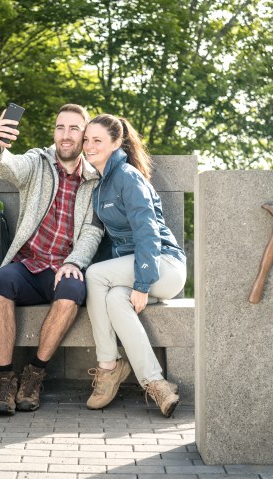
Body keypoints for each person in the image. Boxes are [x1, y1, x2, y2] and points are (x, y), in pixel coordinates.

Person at [0, 104, 103, 415]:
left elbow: (92, 231)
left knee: (73, 291)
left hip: (62, 268)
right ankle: (5, 379)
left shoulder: (94, 179)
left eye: (74, 128)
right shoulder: (37, 161)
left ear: (84, 135)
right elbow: (9, 167)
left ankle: (35, 374)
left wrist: (75, 262)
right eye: (60, 127)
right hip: (28, 265)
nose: (66, 135)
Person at [82, 114, 186, 418]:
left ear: (116, 144)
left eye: (97, 140)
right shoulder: (101, 185)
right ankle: (156, 385)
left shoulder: (127, 176)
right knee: (115, 299)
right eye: (86, 139)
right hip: (139, 270)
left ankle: (108, 367)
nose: (89, 145)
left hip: (164, 266)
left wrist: (142, 284)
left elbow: (148, 233)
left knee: (96, 276)